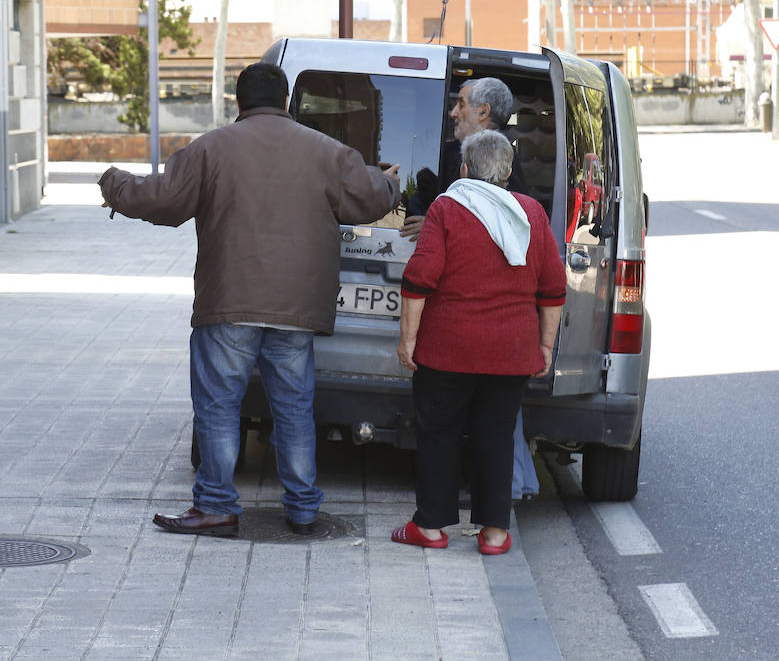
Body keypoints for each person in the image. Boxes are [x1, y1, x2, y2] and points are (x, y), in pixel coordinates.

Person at [99, 60, 400, 538]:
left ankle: (216, 506)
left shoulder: (212, 148)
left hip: (229, 302)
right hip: (297, 309)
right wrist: (388, 179)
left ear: (238, 103)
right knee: (295, 409)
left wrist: (113, 183)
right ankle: (303, 509)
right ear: (286, 102)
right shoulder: (326, 152)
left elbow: (162, 199)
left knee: (219, 406)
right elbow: (370, 196)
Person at [392, 130, 565, 554]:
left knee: (438, 433)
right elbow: (554, 287)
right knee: (496, 436)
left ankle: (430, 529)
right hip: (510, 352)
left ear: (464, 168)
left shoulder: (447, 208)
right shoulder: (531, 214)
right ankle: (494, 534)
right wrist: (544, 346)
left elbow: (419, 279)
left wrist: (407, 341)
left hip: (445, 350)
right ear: (507, 172)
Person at [401, 76, 540, 502]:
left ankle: (498, 496)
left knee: (480, 423)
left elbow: (510, 235)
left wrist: (439, 225)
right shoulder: (451, 157)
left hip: (467, 332)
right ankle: (503, 506)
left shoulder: (512, 175)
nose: (452, 112)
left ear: (484, 112)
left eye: (461, 103)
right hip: (492, 336)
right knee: (494, 420)